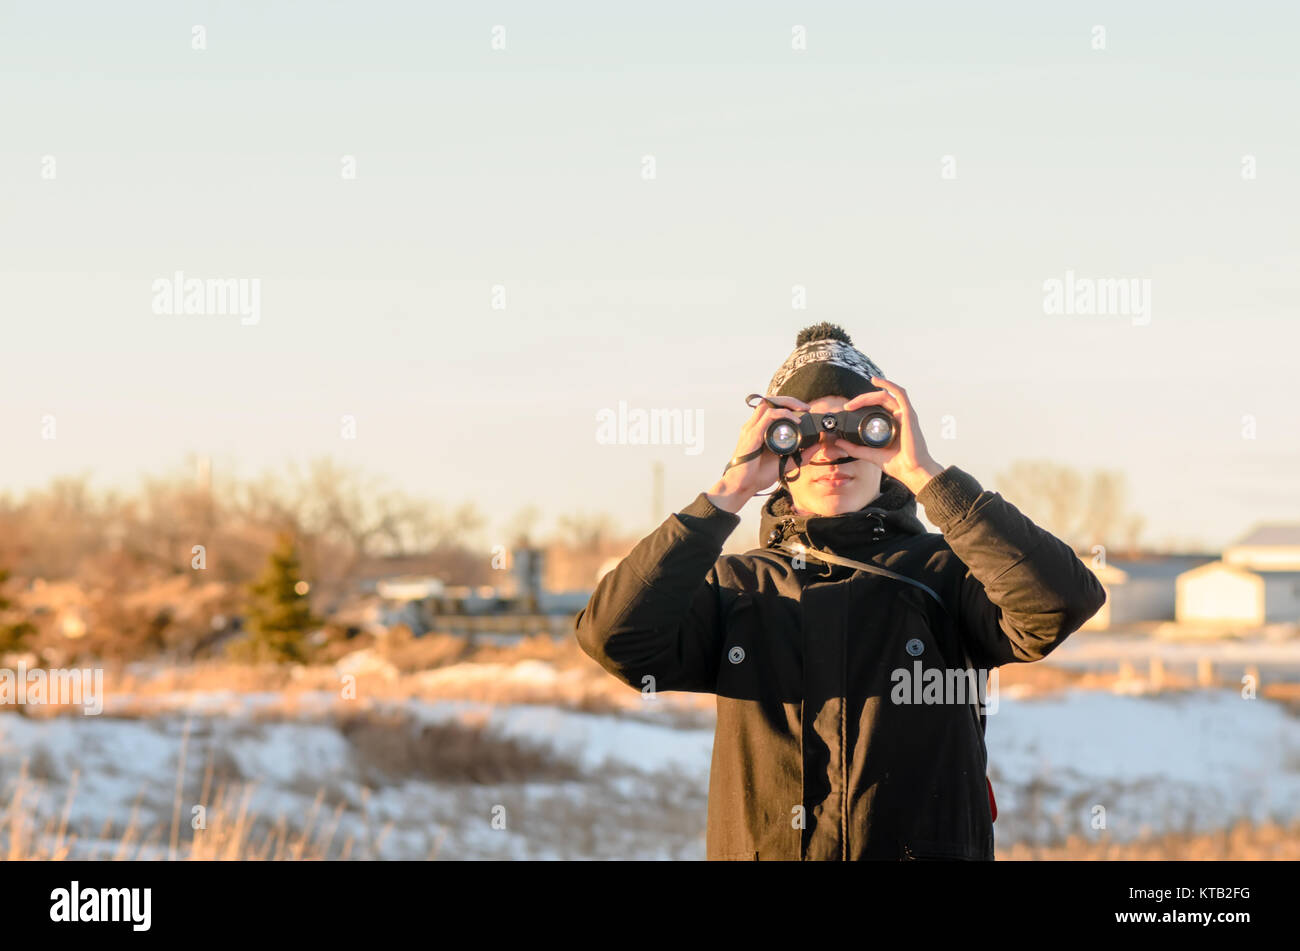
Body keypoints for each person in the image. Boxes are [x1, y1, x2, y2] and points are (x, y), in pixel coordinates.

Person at [575, 323, 1106, 860]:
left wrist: (928, 476)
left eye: (857, 426)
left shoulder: (949, 574)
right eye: (801, 430)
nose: (830, 446)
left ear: (886, 433)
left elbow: (1060, 602)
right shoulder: (737, 588)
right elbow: (615, 637)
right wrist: (728, 492)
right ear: (776, 450)